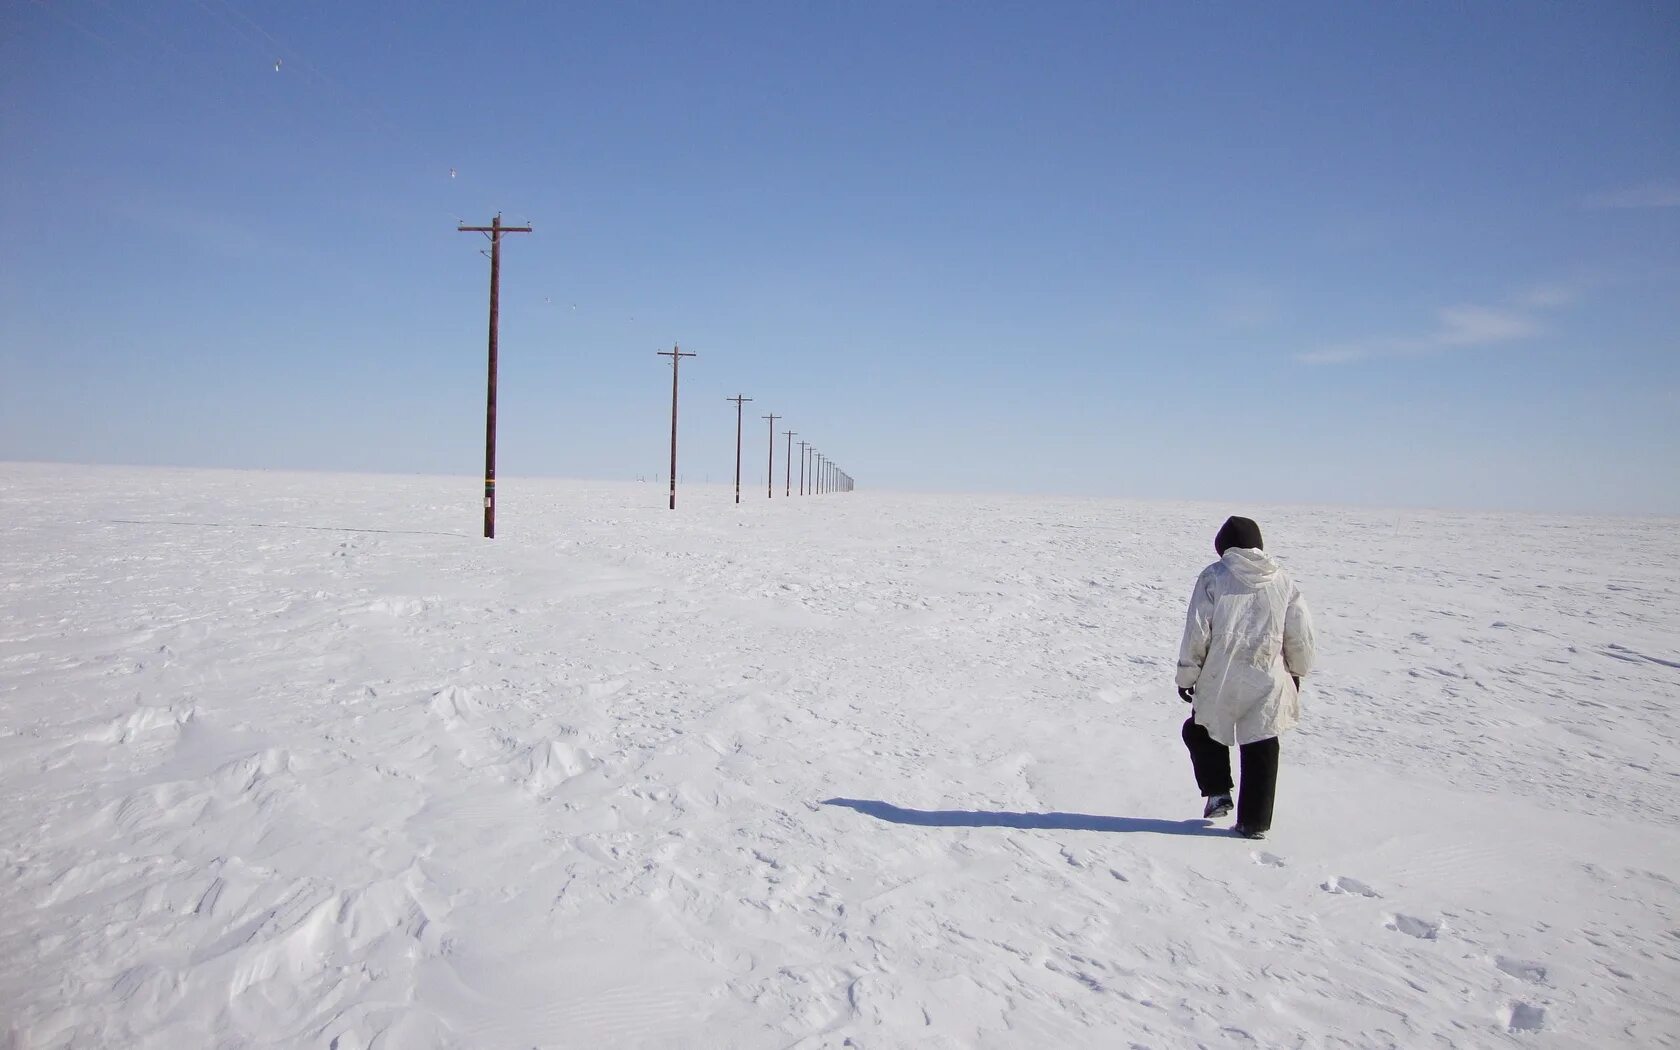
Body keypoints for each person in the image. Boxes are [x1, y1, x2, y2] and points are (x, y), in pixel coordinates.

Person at [1174, 516, 1315, 839]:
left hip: (1220, 673)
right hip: (1267, 673)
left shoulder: (1214, 576)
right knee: (1262, 743)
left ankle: (1218, 791)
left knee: (1201, 729)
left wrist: (1187, 676)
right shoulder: (1282, 580)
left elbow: (1197, 631)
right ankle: (1254, 821)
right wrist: (1297, 670)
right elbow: (1300, 633)